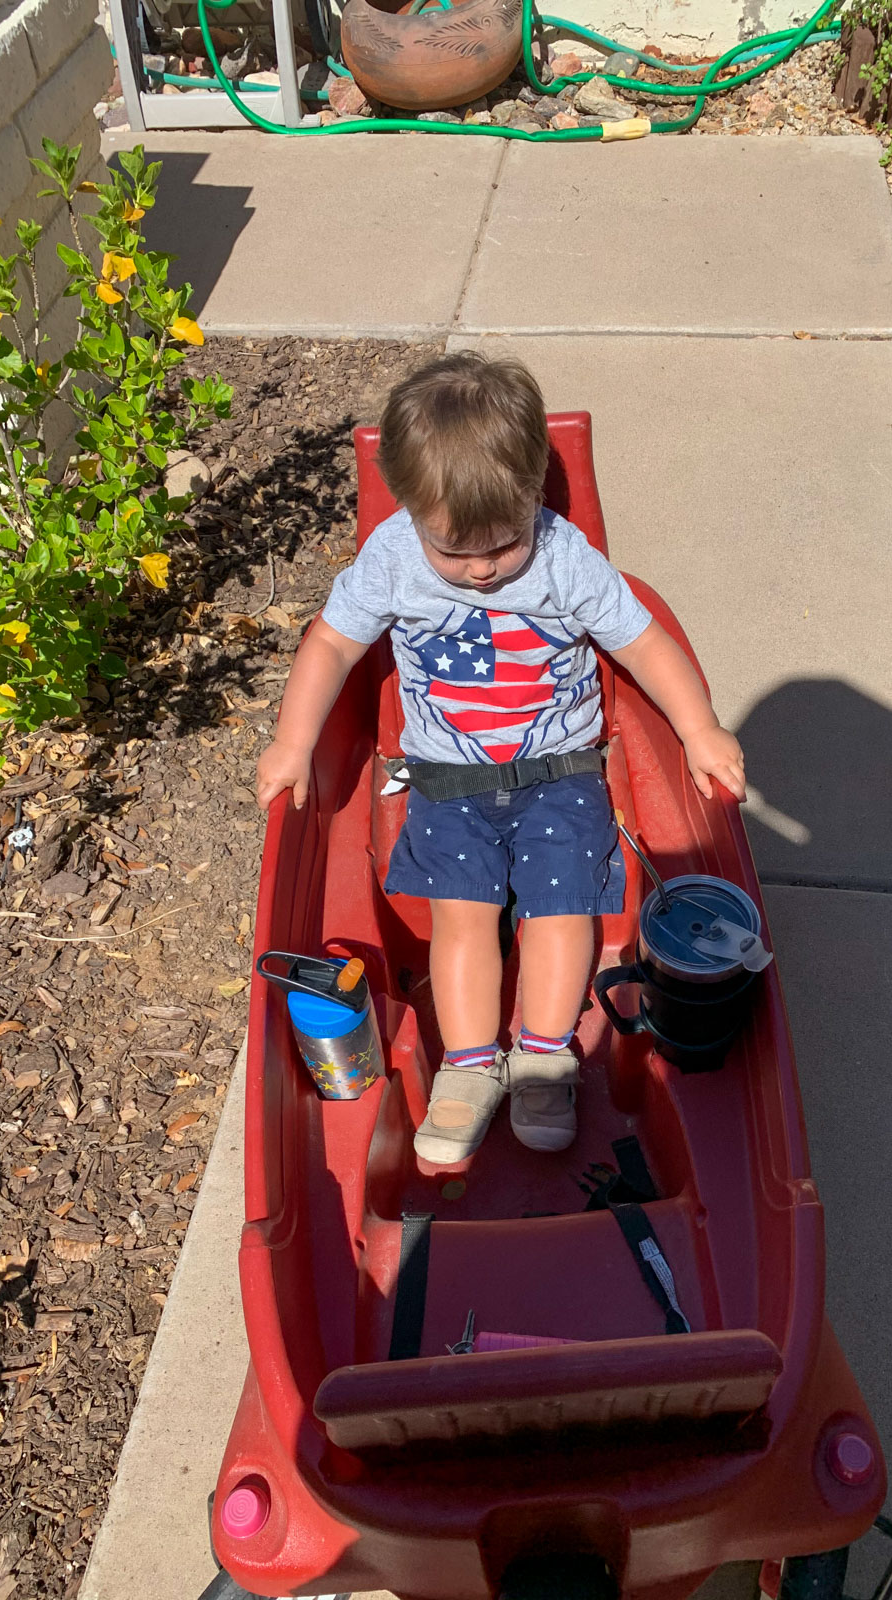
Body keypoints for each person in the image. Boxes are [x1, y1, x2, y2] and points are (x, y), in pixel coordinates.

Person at [256, 353, 745, 1166]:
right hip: (449, 778)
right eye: (456, 552)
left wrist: (698, 727)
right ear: (413, 511)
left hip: (559, 769)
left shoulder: (561, 556)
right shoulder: (392, 558)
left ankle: (545, 1061)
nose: (482, 568)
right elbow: (334, 642)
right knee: (463, 915)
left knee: (559, 913)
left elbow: (641, 639)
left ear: (531, 499)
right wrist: (293, 739)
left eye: (503, 543)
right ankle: (470, 1068)